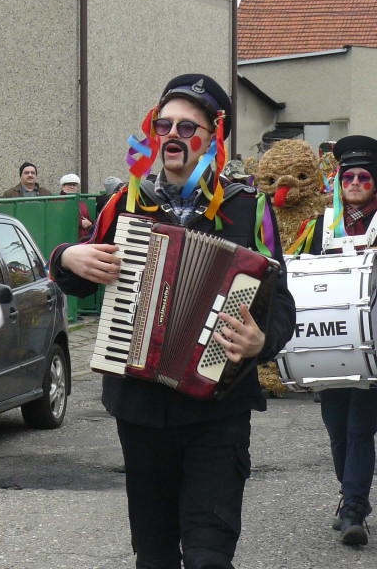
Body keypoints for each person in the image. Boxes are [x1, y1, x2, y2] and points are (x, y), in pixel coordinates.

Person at [49, 73, 295, 569]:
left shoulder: (248, 207)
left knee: (208, 557)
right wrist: (66, 257)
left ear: (212, 137)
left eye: (188, 127)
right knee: (154, 556)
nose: (173, 136)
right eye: (165, 125)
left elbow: (282, 303)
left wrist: (260, 341)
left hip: (218, 410)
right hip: (142, 410)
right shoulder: (125, 203)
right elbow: (80, 278)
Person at [293, 134, 377, 546]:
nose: (356, 182)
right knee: (338, 430)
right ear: (339, 181)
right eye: (349, 176)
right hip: (328, 343)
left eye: (364, 176)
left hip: (373, 346)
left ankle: (354, 509)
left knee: (361, 428)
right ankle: (349, 499)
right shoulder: (319, 226)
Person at [60, 173, 92, 239]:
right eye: (69, 184)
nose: (72, 187)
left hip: (82, 240)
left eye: (74, 185)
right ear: (63, 186)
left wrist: (90, 223)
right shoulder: (58, 202)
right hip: (66, 239)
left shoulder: (82, 203)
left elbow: (88, 219)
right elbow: (60, 220)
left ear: (77, 187)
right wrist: (80, 222)